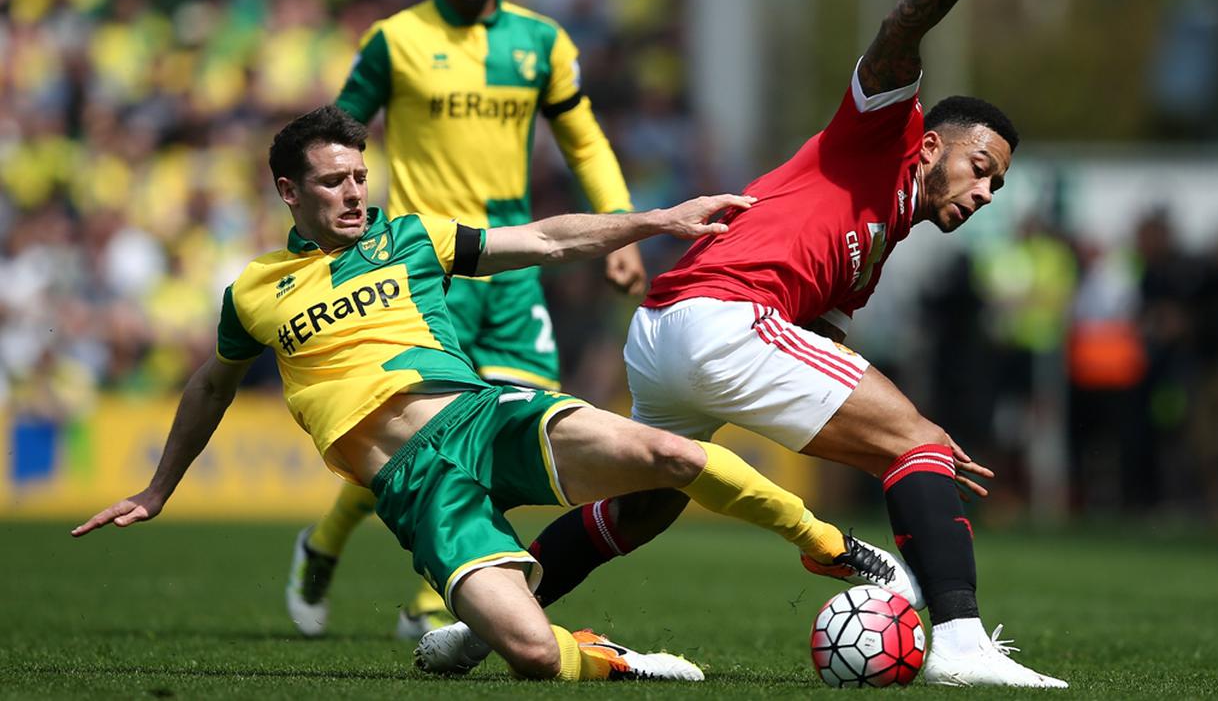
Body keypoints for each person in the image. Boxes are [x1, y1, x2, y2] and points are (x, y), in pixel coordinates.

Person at [71, 106, 920, 682]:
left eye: (360, 176)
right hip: (416, 487)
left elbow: (548, 239)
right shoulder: (254, 292)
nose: (354, 192)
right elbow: (208, 387)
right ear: (288, 192)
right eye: (332, 182)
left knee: (665, 453)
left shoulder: (408, 237)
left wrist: (660, 220)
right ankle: (616, 660)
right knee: (531, 655)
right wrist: (157, 489)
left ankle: (826, 545)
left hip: (484, 419)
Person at [418, 0, 1069, 689]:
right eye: (979, 168)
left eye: (997, 184)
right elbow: (900, 28)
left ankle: (480, 625)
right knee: (917, 444)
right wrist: (917, 451)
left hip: (666, 333)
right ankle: (961, 643)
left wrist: (895, 447)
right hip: (717, 318)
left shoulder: (873, 250)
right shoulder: (882, 136)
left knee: (645, 504)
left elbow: (821, 343)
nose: (985, 191)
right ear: (932, 145)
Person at [286, 0, 648, 640]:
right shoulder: (395, 40)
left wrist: (618, 228)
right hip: (426, 267)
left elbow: (583, 140)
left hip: (508, 267)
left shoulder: (541, 42)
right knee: (416, 437)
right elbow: (331, 144)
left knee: (513, 433)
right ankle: (333, 547)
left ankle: (424, 588)